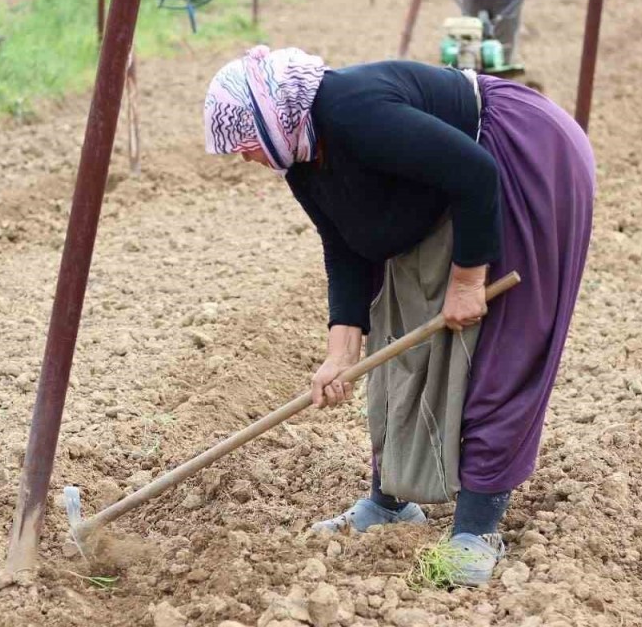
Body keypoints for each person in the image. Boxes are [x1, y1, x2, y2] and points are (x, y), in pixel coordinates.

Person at [202, 46, 595, 586]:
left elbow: (476, 174)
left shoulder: (350, 111)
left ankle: (475, 531)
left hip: (522, 155)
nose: (243, 156)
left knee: (501, 347)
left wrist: (467, 280)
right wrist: (339, 354)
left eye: (243, 139)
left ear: (271, 112)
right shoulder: (301, 157)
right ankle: (388, 503)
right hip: (449, 184)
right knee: (401, 338)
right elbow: (343, 245)